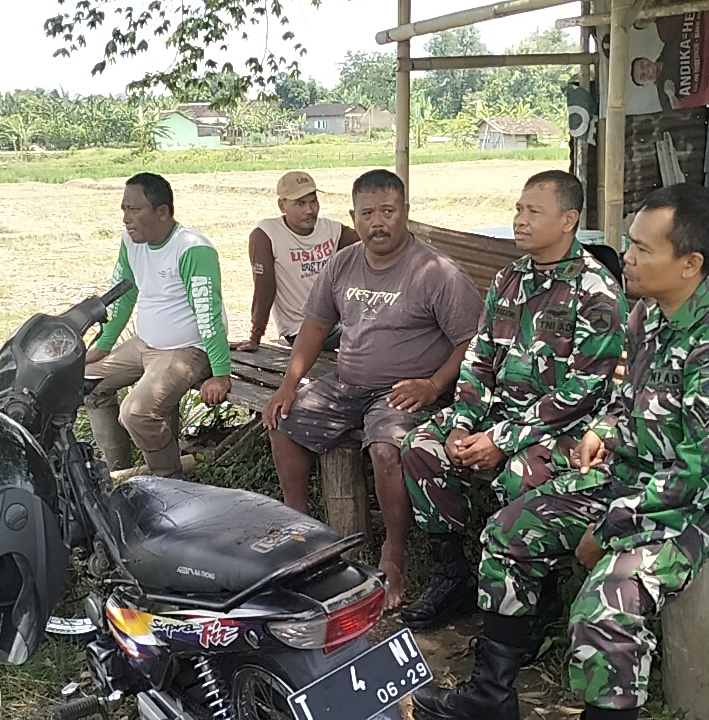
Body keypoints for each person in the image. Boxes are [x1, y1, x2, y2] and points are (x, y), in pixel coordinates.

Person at [412, 184, 709, 720]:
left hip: (697, 506)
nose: (625, 257)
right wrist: (604, 428)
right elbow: (625, 396)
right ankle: (490, 696)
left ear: (689, 263)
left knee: (604, 608)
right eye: (629, 244)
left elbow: (700, 477)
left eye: (642, 249)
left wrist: (606, 530)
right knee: (509, 531)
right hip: (628, 474)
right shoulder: (649, 315)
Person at [400, 171, 628, 631]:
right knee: (421, 445)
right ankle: (454, 577)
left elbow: (583, 392)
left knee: (520, 475)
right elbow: (479, 359)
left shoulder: (596, 290)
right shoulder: (509, 278)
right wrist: (464, 424)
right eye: (518, 209)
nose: (519, 221)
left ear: (569, 220)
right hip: (496, 417)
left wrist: (502, 441)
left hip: (564, 429)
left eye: (533, 212)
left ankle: (533, 601)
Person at [263, 169, 483, 609]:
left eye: (388, 211)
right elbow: (315, 326)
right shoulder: (343, 263)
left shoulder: (436, 272)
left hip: (405, 389)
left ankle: (394, 553)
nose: (378, 222)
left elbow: (473, 341)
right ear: (353, 217)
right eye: (367, 213)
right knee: (282, 419)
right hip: (347, 383)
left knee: (386, 449)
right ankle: (300, 531)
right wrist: (289, 383)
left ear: (406, 213)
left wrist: (434, 383)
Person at [85, 173, 232, 478]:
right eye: (124, 209)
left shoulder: (192, 249)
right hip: (144, 343)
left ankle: (170, 482)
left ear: (162, 212)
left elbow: (208, 313)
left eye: (134, 210)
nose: (126, 219)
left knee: (136, 413)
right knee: (85, 383)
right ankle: (119, 473)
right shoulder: (131, 243)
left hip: (185, 350)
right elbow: (122, 297)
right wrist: (102, 347)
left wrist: (220, 374)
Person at [231, 171, 360, 352]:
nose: (309, 210)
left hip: (337, 321)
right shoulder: (266, 235)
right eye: (300, 204)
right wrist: (255, 336)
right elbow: (264, 287)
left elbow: (372, 244)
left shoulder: (332, 230)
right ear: (282, 206)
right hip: (302, 329)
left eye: (313, 201)